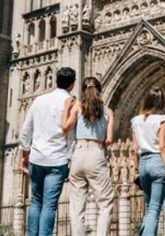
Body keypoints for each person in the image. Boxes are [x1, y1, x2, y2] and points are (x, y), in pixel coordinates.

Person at [20, 67, 77, 236]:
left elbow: (26, 130)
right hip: (57, 160)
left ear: (56, 81)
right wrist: (70, 161)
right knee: (49, 205)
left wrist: (25, 155)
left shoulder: (39, 100)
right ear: (72, 84)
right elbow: (71, 137)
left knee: (35, 201)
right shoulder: (71, 103)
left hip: (37, 158)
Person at [62, 77, 115, 236]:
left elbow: (65, 128)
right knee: (105, 203)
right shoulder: (108, 112)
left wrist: (66, 108)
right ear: (100, 91)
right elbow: (109, 140)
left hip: (78, 154)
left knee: (77, 206)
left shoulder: (77, 107)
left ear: (83, 91)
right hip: (96, 152)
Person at [131, 88, 165, 236]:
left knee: (149, 209)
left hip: (143, 164)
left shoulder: (135, 121)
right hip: (157, 162)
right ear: (160, 103)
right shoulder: (161, 119)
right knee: (154, 210)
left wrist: (136, 170)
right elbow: (162, 147)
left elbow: (134, 149)